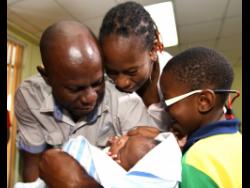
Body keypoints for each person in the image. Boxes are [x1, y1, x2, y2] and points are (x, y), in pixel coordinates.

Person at [14, 20, 158, 182]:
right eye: (76, 89)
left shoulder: (127, 103)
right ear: (47, 77)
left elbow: (154, 178)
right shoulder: (29, 96)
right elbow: (32, 163)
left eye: (97, 83)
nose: (91, 97)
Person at [159, 46, 242, 188]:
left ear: (204, 101)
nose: (164, 111)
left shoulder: (194, 161)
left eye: (167, 102)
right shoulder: (237, 139)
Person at [99, 1, 173, 130]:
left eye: (132, 71)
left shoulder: (178, 77)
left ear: (153, 50)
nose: (121, 83)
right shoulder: (103, 87)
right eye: (112, 72)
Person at [16, 132, 181, 188]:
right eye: (127, 137)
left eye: (122, 148)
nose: (120, 139)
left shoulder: (109, 171)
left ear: (117, 162)